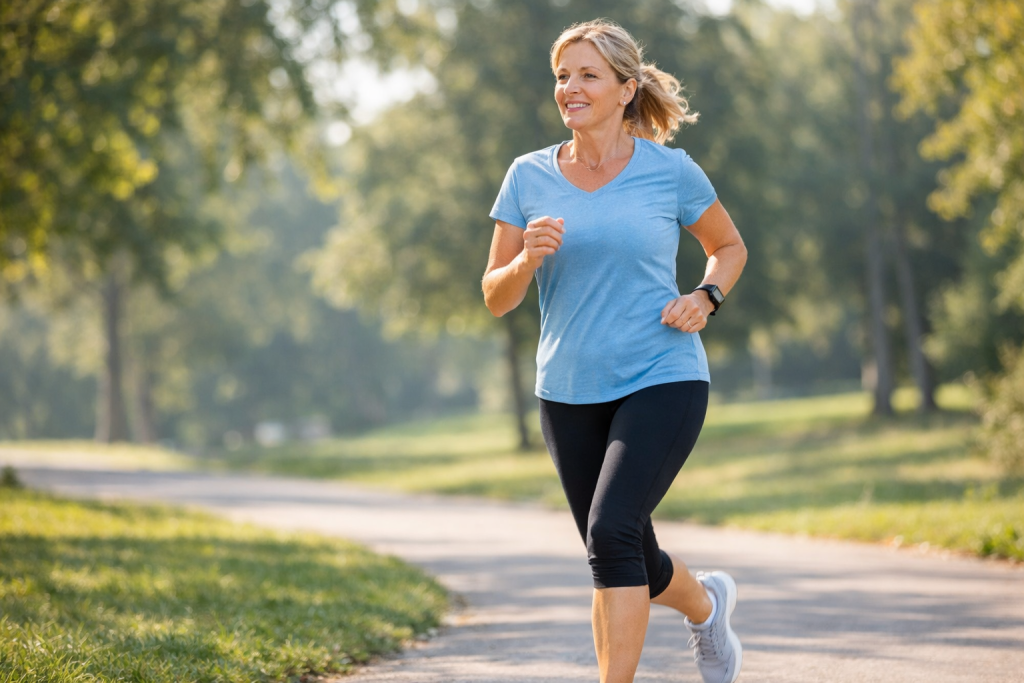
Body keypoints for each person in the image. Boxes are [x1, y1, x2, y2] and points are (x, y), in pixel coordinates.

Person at [481, 18, 748, 683]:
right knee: (620, 548)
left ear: (627, 89)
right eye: (562, 76)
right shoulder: (527, 176)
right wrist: (525, 262)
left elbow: (729, 246)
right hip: (568, 388)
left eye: (587, 75)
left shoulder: (670, 171)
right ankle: (707, 603)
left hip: (663, 371)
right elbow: (494, 295)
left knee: (610, 533)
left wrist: (705, 296)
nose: (570, 88)